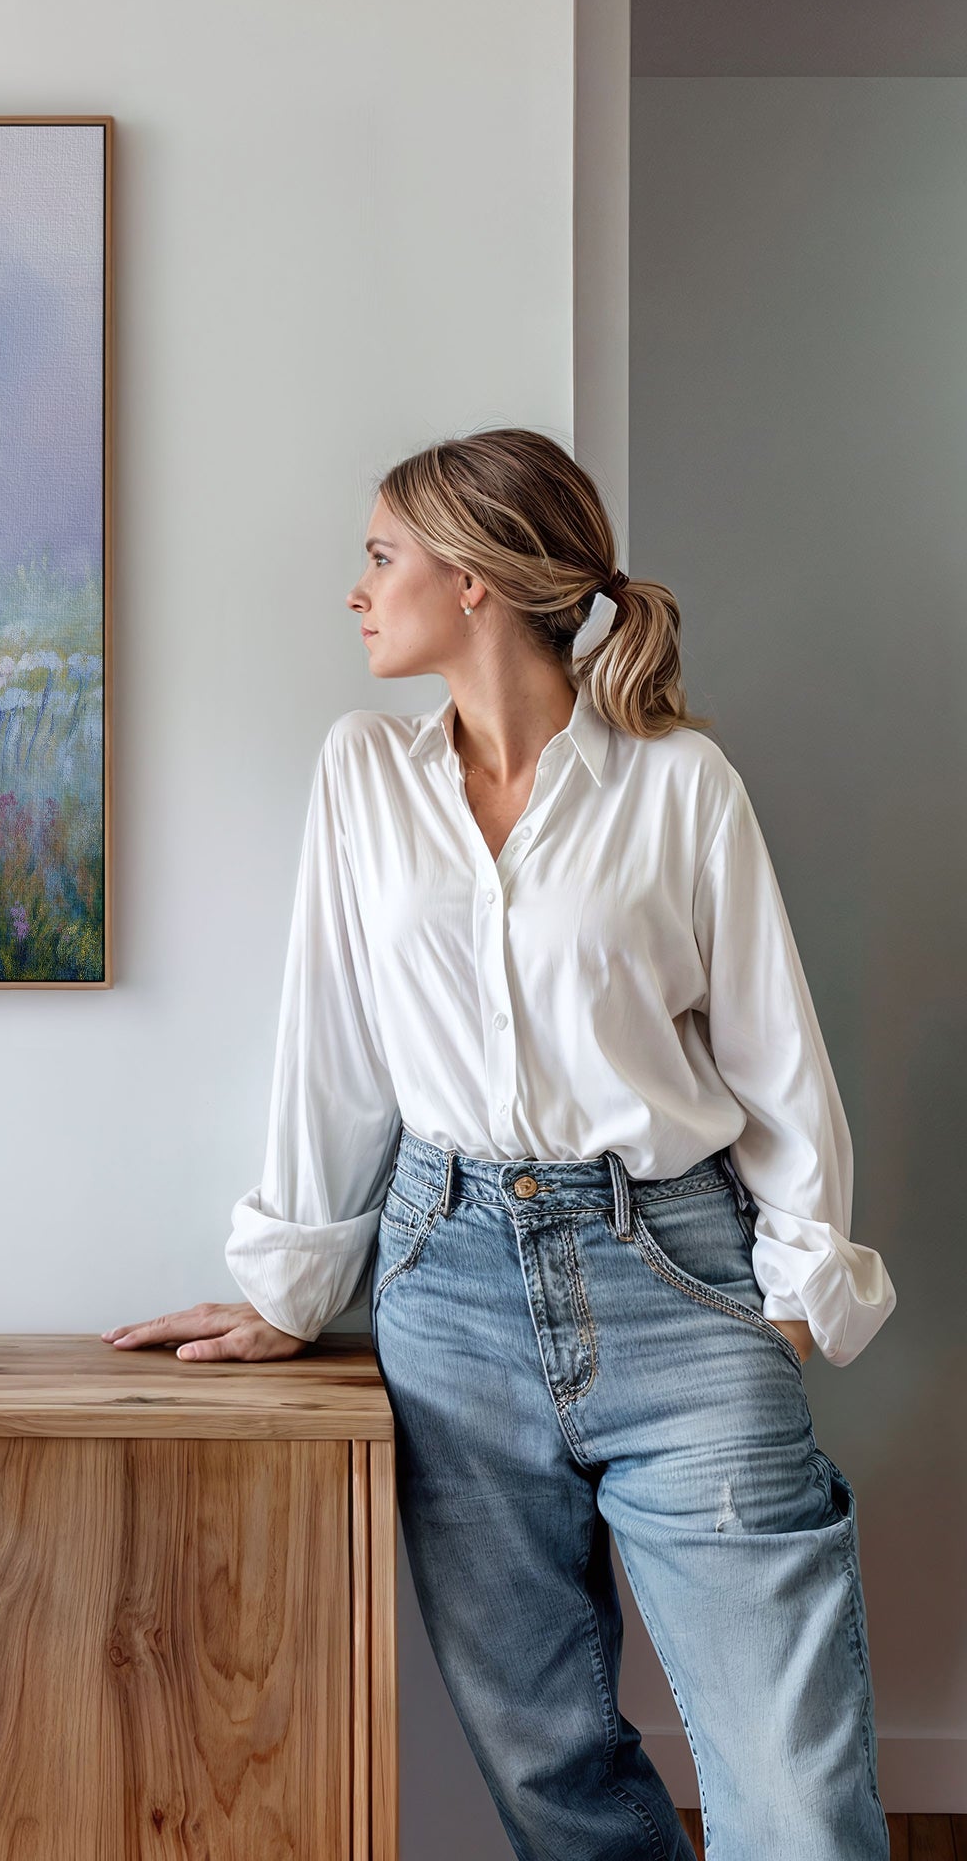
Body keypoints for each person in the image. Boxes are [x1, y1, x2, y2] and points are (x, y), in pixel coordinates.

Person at [103, 429, 896, 1859]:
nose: (357, 590)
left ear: (473, 581)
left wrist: (793, 1291)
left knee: (793, 1787)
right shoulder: (363, 776)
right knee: (551, 1773)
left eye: (380, 555)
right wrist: (295, 1285)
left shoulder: (679, 785)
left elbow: (777, 1055)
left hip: (678, 1273)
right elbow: (330, 1045)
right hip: (447, 1285)